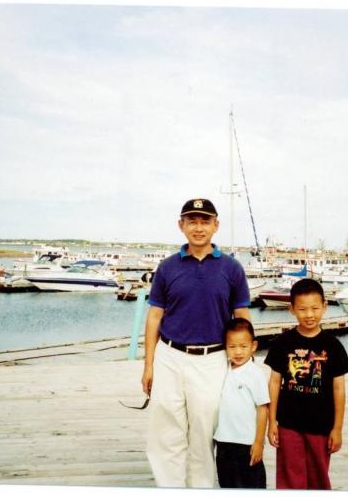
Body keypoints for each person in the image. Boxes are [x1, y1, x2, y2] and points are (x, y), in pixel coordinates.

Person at [142, 198, 252, 488]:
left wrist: (246, 363)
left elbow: (242, 316)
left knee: (204, 432)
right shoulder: (167, 267)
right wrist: (148, 365)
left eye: (205, 221)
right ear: (181, 225)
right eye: (192, 221)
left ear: (216, 226)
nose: (199, 227)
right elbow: (154, 317)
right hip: (169, 356)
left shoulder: (232, 268)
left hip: (213, 359)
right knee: (166, 432)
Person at [264, 278, 348, 489]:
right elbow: (274, 383)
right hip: (288, 424)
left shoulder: (333, 346)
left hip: (321, 425)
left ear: (325, 306)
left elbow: (339, 389)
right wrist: (271, 422)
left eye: (315, 308)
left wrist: (337, 428)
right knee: (290, 477)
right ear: (292, 309)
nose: (309, 314)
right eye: (302, 309)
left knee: (318, 478)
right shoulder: (282, 343)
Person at [213, 317, 269, 489]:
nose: (238, 352)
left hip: (247, 443)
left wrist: (259, 442)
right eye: (232, 346)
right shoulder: (222, 369)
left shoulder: (256, 374)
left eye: (243, 346)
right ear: (225, 347)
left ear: (253, 346)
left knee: (252, 486)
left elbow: (262, 409)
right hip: (223, 441)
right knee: (227, 485)